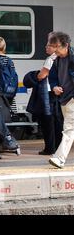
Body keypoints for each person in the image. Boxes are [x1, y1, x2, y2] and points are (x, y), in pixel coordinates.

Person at [47, 32, 74, 169]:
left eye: (57, 47)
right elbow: (52, 77)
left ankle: (59, 158)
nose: (55, 50)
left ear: (66, 45)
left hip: (72, 98)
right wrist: (54, 87)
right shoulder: (56, 59)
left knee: (69, 128)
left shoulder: (72, 57)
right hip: (64, 98)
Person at [35, 35, 63, 155]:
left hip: (49, 93)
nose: (46, 47)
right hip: (59, 93)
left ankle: (50, 148)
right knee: (58, 121)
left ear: (55, 47)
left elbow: (42, 75)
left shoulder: (51, 59)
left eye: (48, 45)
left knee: (48, 121)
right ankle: (57, 146)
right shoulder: (62, 58)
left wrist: (36, 75)